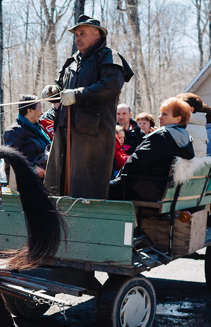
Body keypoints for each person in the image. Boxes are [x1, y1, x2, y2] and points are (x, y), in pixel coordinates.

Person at [41, 15, 133, 199]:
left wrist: (77, 94)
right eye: (76, 35)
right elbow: (61, 86)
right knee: (57, 184)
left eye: (82, 33)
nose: (78, 38)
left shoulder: (110, 57)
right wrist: (53, 91)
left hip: (93, 134)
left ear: (97, 34)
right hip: (64, 129)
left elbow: (110, 86)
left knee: (85, 189)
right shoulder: (72, 61)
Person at [110, 98, 195, 201]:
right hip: (166, 191)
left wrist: (119, 177)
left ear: (178, 119)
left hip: (145, 189)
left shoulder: (162, 136)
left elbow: (135, 162)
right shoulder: (186, 138)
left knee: (101, 189)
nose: (159, 117)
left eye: (164, 114)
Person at [3, 94, 51, 182]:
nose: (42, 113)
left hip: (44, 180)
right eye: (40, 108)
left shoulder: (39, 129)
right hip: (26, 183)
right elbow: (10, 159)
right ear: (29, 111)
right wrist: (33, 167)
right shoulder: (13, 131)